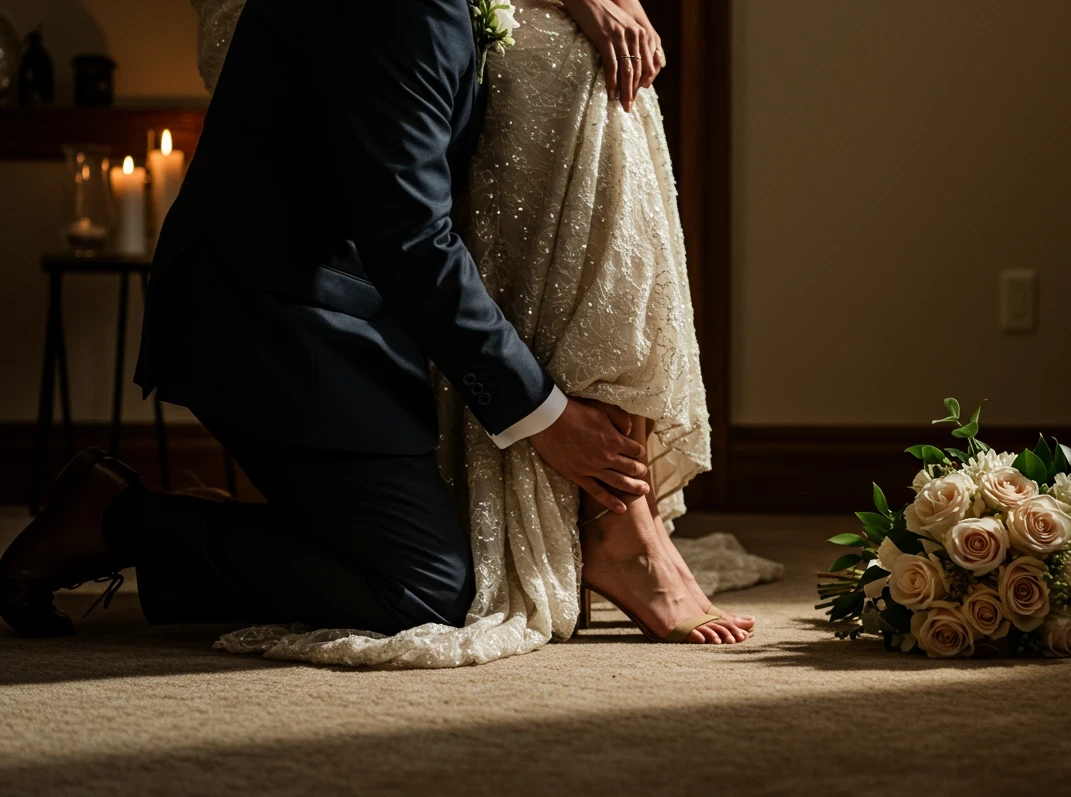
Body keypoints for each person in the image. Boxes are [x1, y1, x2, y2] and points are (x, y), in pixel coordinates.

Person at [0, 0, 761, 662]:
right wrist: (549, 420)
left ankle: (254, 514)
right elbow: (412, 242)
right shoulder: (401, 6)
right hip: (273, 319)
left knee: (428, 560)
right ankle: (119, 519)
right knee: (425, 588)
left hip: (342, 317)